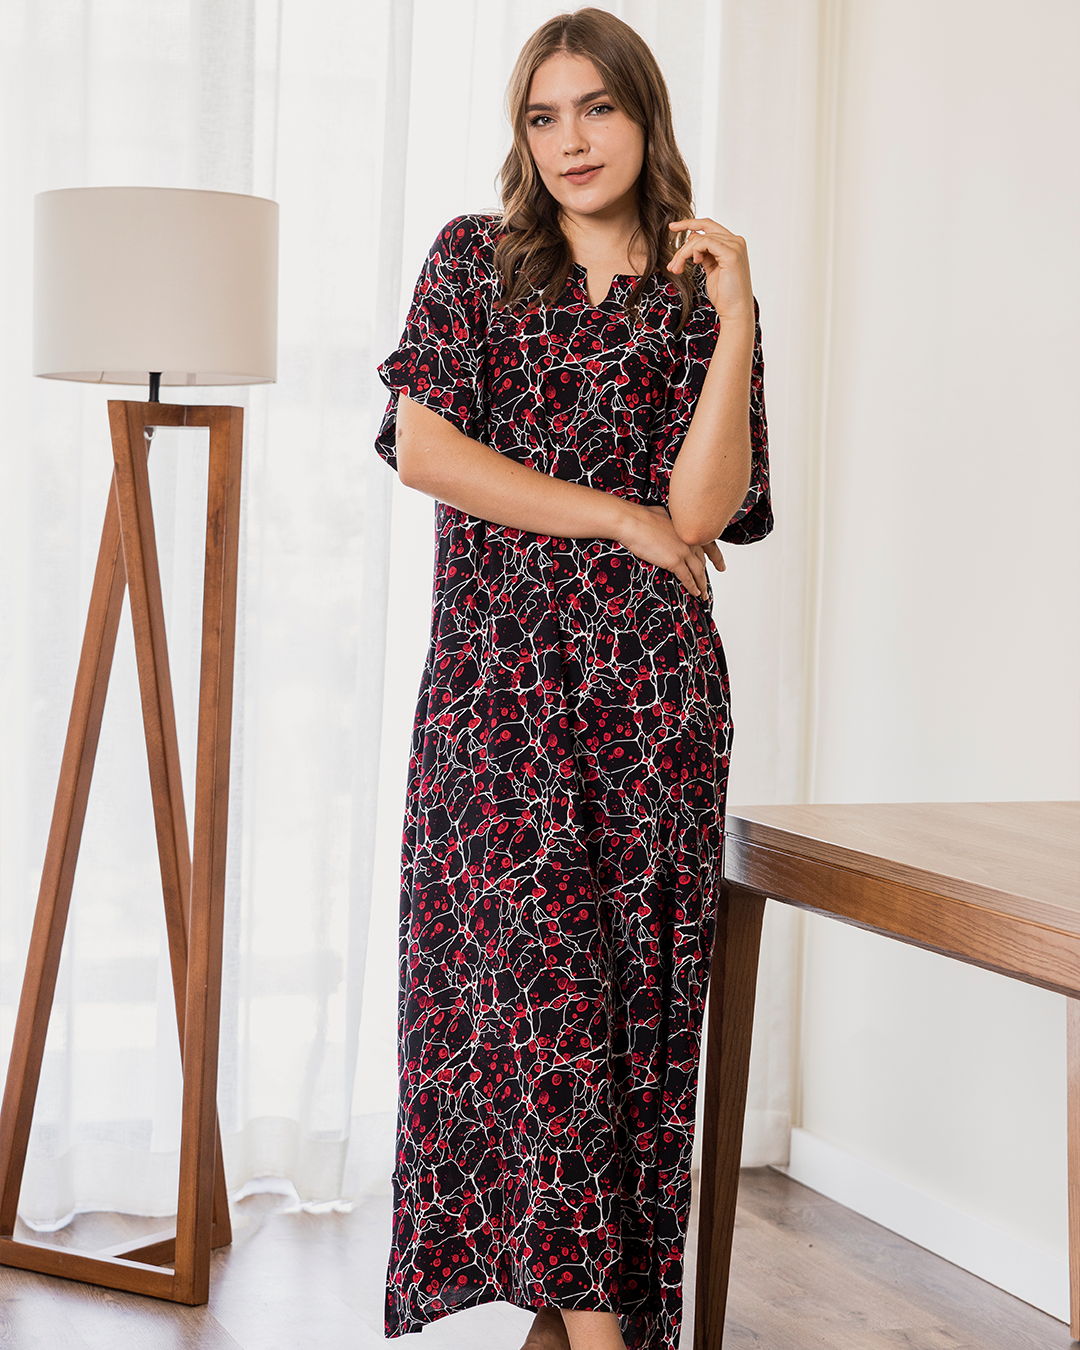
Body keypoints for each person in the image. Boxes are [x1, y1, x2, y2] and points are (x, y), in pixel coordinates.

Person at [373, 10, 771, 1350]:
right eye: (544, 117)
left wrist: (737, 313)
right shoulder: (472, 260)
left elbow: (703, 511)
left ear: (646, 114)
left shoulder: (699, 289)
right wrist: (614, 517)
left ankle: (570, 1327)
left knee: (629, 1022)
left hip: (653, 704)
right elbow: (427, 452)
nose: (571, 141)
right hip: (494, 697)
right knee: (534, 1004)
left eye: (596, 108)